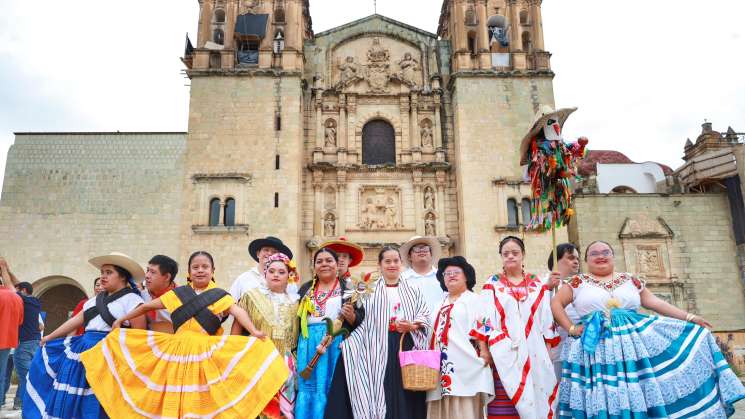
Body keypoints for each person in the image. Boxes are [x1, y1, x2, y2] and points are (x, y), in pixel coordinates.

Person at [80, 251, 289, 419]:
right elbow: (146, 307)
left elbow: (238, 312)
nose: (200, 270)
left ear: (212, 270)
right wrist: (119, 319)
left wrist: (253, 331)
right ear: (189, 271)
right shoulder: (177, 295)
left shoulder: (220, 296)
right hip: (175, 353)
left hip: (206, 354)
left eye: (205, 267)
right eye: (195, 267)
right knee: (173, 398)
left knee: (201, 399)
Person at [552, 241, 745, 418]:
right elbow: (556, 303)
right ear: (587, 260)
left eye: (606, 252)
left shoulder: (630, 279)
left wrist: (689, 317)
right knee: (604, 393)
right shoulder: (578, 282)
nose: (600, 256)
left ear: (613, 256)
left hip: (633, 349)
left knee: (639, 390)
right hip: (596, 348)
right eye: (594, 253)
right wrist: (570, 327)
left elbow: (653, 302)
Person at [23, 252, 147, 419]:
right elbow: (75, 321)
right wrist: (49, 337)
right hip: (83, 352)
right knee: (77, 396)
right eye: (102, 272)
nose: (103, 276)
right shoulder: (93, 301)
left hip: (111, 356)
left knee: (101, 398)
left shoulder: (132, 301)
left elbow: (139, 335)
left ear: (123, 277)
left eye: (109, 272)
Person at [324, 246, 431, 419]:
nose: (392, 265)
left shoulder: (414, 290)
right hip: (376, 346)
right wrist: (351, 316)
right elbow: (359, 319)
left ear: (401, 264)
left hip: (405, 344)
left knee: (406, 392)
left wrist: (411, 325)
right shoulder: (367, 291)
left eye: (396, 261)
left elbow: (424, 315)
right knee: (382, 389)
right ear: (379, 265)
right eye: (387, 261)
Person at [481, 236, 559, 418]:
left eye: (515, 253)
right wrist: (486, 349)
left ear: (523, 255)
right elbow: (483, 320)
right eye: (505, 253)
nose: (510, 256)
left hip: (535, 351)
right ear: (500, 256)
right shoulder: (492, 283)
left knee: (538, 395)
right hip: (504, 353)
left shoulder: (537, 283)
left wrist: (548, 350)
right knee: (505, 402)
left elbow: (546, 318)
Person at [296, 248, 363, 419]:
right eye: (319, 261)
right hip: (309, 344)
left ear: (336, 265)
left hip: (336, 345)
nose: (324, 264)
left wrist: (352, 317)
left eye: (329, 260)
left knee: (335, 387)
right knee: (309, 387)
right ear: (314, 266)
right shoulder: (305, 289)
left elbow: (362, 319)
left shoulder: (348, 288)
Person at [427, 256, 494, 419]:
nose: (451, 275)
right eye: (446, 273)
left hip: (466, 362)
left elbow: (483, 325)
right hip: (439, 366)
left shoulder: (474, 299)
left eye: (456, 272)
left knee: (464, 405)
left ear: (466, 276)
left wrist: (484, 350)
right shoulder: (439, 303)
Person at [233, 253, 300, 418]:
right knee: (260, 408)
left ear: (289, 276)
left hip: (287, 364)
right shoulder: (251, 296)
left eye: (281, 272)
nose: (275, 275)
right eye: (271, 271)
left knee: (285, 411)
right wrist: (234, 356)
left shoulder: (296, 301)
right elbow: (237, 326)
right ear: (265, 274)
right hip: (259, 361)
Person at [545, 243, 580, 378]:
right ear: (556, 260)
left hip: (580, 347)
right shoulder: (543, 285)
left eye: (577, 258)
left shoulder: (581, 284)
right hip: (556, 349)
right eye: (570, 258)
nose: (576, 261)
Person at [231, 236, 296, 301]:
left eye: (274, 252)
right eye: (266, 250)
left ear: (280, 258)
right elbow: (231, 305)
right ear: (258, 254)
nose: (269, 253)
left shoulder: (289, 283)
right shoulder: (244, 279)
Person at [11, 281, 43, 410]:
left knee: (27, 378)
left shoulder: (22, 299)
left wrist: (4, 269)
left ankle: (26, 405)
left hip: (24, 345)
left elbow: (10, 289)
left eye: (18, 291)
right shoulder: (34, 301)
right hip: (35, 343)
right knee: (29, 376)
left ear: (23, 291)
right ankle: (20, 402)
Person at [400, 236, 445, 316]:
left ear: (431, 254)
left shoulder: (443, 277)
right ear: (409, 256)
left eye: (425, 249)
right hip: (412, 326)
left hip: (440, 326)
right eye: (416, 249)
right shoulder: (402, 280)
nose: (421, 251)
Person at [0, 258, 23, 409]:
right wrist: (6, 269)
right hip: (7, 342)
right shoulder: (16, 297)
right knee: (1, 375)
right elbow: (20, 321)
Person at [140, 254, 178, 333]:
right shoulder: (141, 292)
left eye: (153, 272)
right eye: (147, 270)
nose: (147, 276)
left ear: (167, 277)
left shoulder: (180, 298)